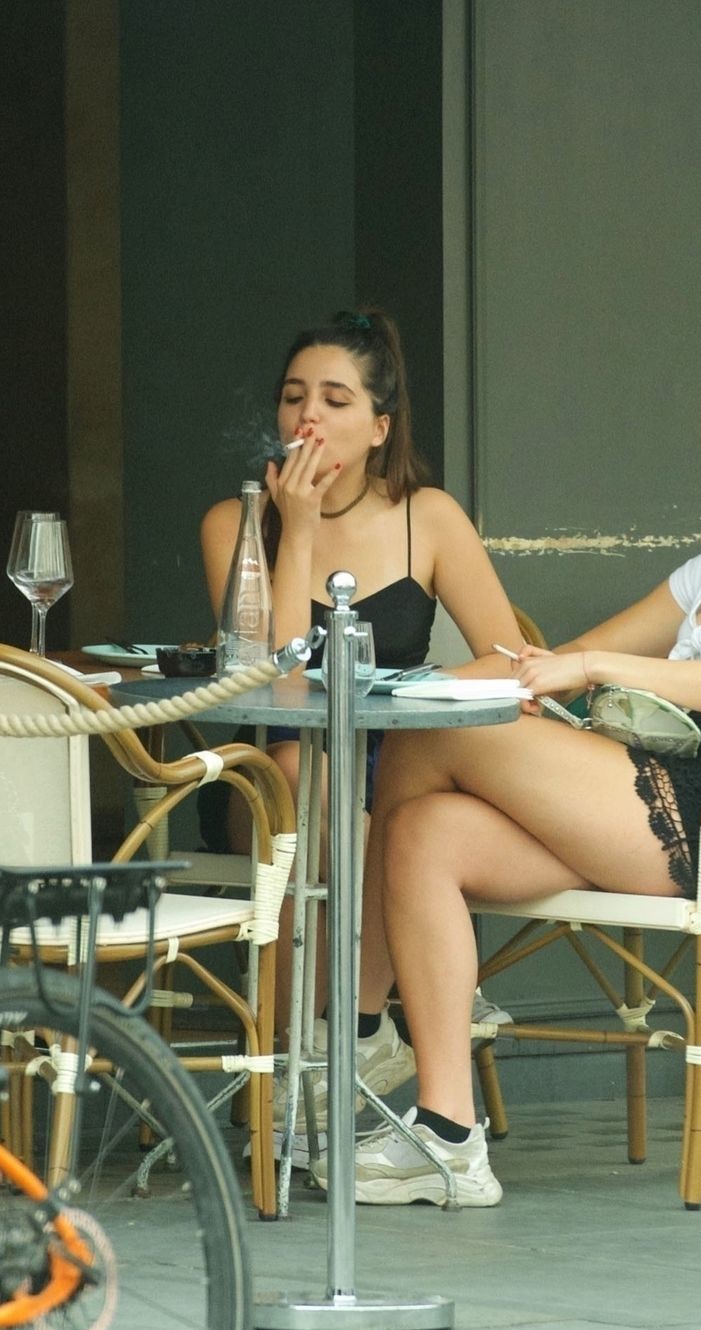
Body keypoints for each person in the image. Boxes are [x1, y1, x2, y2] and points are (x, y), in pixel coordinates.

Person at [334, 314, 701, 1206]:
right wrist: (411, 680)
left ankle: (358, 1025)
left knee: (427, 736)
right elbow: (551, 665)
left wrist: (593, 669)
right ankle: (449, 1136)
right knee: (425, 830)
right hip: (652, 789)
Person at [196, 308, 524, 1077]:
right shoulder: (235, 521)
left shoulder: (427, 517)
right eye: (293, 396)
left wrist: (416, 688)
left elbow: (513, 660)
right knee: (304, 776)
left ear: (380, 427)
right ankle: (323, 1046)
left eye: (335, 399)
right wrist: (298, 528)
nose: (307, 416)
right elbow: (278, 680)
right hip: (270, 772)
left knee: (390, 807)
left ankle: (340, 1040)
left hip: (397, 768)